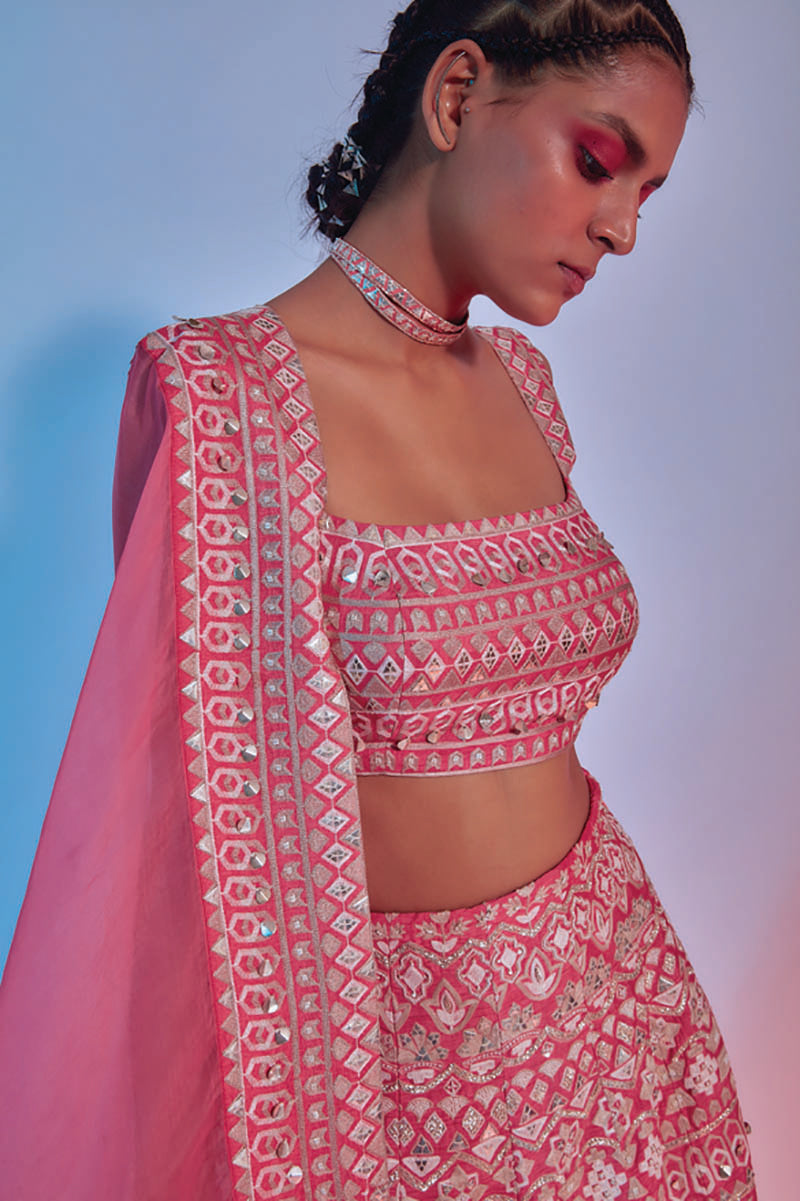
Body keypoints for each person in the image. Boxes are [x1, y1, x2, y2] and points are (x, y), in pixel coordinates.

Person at [0, 1, 757, 1199]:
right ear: (455, 95)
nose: (619, 229)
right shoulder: (220, 399)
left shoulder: (525, 386)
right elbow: (174, 822)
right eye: (597, 162)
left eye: (644, 195)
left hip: (613, 1012)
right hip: (389, 1088)